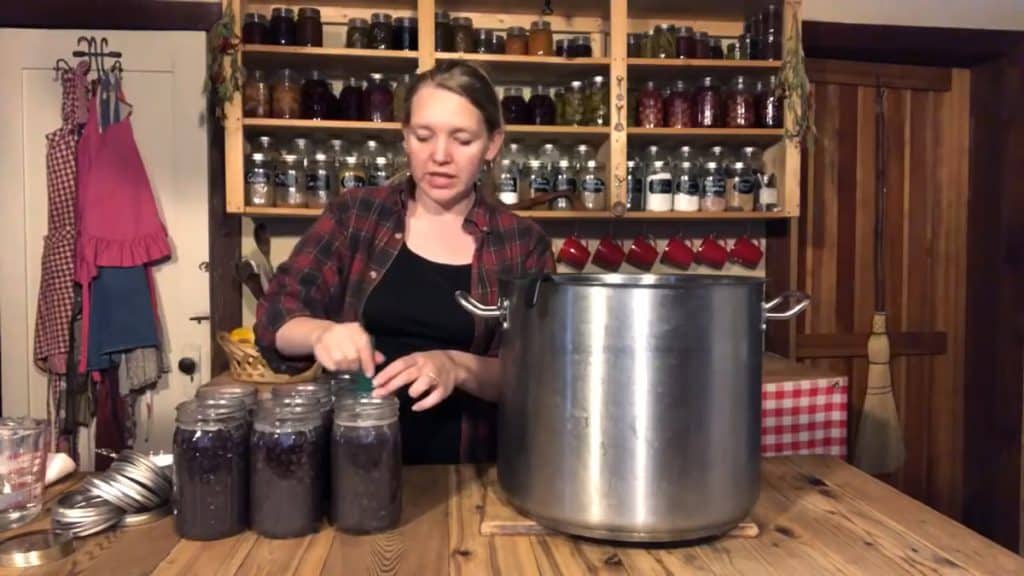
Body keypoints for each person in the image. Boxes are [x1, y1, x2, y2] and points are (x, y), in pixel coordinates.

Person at [254, 61, 555, 465]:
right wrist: (322, 333)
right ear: (405, 138)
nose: (440, 156)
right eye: (424, 136)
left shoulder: (522, 243)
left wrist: (456, 366)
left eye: (462, 139)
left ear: (493, 144)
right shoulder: (355, 216)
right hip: (351, 463)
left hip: (470, 472)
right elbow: (275, 315)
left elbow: (534, 373)